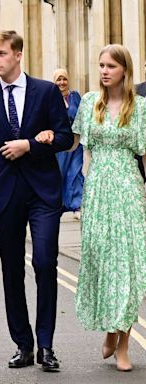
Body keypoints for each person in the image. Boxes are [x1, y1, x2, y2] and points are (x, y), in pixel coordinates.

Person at [0, 30, 73, 372]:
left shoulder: (45, 91)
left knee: (44, 263)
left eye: (0, 54)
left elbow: (64, 137)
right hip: (6, 194)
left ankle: (47, 346)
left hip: (43, 192)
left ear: (17, 55)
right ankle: (23, 345)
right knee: (11, 270)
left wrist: (31, 144)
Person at [62, 44, 146, 372]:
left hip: (129, 193)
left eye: (111, 65)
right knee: (102, 264)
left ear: (124, 69)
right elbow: (79, 149)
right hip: (97, 194)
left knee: (127, 268)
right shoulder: (89, 103)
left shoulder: (140, 107)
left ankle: (123, 343)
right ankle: (110, 328)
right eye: (101, 65)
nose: (105, 71)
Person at [52, 69, 83, 217]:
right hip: (60, 143)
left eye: (64, 79)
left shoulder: (75, 96)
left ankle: (77, 205)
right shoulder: (50, 98)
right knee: (60, 173)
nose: (61, 82)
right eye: (58, 79)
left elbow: (82, 115)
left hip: (76, 143)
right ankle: (59, 205)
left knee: (76, 172)